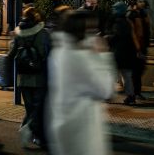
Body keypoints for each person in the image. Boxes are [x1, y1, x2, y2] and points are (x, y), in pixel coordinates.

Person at [47, 9, 117, 155]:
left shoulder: (58, 51)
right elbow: (106, 89)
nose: (96, 35)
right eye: (91, 30)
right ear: (81, 31)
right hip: (83, 129)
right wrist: (103, 55)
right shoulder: (80, 58)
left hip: (62, 122)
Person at [7, 6, 50, 150]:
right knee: (37, 108)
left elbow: (11, 53)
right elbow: (43, 53)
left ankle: (29, 131)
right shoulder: (42, 32)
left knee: (30, 107)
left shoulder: (18, 32)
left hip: (22, 75)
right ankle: (30, 132)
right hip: (38, 75)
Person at [106, 1, 138, 105]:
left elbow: (116, 37)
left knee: (111, 75)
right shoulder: (127, 21)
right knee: (127, 76)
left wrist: (108, 38)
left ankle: (108, 95)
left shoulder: (117, 21)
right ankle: (131, 96)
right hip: (128, 53)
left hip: (117, 53)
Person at [127, 0, 150, 99]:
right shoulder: (132, 14)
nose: (142, 3)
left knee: (140, 69)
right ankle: (134, 92)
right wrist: (137, 48)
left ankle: (135, 91)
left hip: (142, 45)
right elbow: (134, 33)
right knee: (136, 70)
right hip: (135, 47)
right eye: (139, 1)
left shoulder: (143, 13)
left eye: (143, 1)